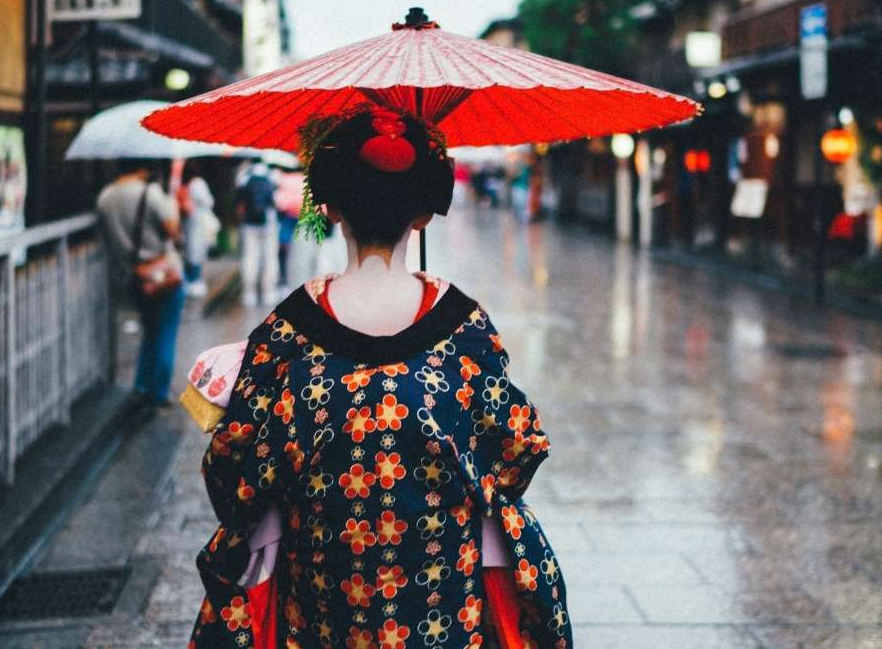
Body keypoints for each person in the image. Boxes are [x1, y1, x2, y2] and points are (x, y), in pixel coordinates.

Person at [188, 107, 572, 648]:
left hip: (323, 605)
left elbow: (231, 473)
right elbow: (516, 452)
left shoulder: (287, 332)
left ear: (328, 206)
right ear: (424, 214)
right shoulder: (463, 329)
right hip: (443, 603)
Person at [96, 159, 186, 408]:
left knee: (150, 330)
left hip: (132, 277)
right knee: (165, 332)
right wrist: (173, 205)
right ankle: (159, 393)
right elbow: (173, 232)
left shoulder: (105, 198)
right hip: (162, 274)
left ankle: (142, 386)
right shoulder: (151, 193)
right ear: (142, 167)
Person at [233, 162, 280, 306]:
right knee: (270, 257)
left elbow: (239, 206)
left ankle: (249, 293)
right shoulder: (272, 176)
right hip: (269, 223)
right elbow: (276, 202)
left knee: (249, 257)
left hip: (249, 224)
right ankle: (268, 292)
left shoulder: (244, 178)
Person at [180, 160, 218, 298]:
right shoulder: (198, 183)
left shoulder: (187, 184)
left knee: (191, 251)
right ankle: (195, 281)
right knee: (197, 251)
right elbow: (209, 201)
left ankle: (191, 281)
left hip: (191, 221)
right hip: (199, 222)